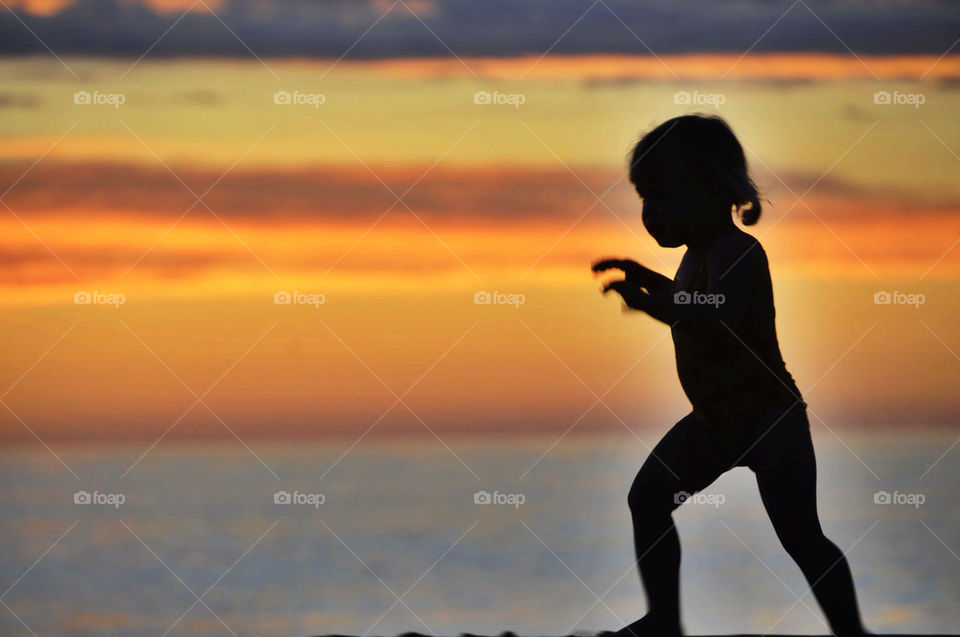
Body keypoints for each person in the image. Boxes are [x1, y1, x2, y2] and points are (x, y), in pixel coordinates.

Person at [592, 114, 869, 637]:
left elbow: (717, 307)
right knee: (648, 499)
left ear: (713, 190)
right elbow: (692, 296)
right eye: (644, 198)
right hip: (716, 421)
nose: (650, 213)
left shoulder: (738, 251)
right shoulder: (697, 255)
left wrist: (655, 305)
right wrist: (651, 278)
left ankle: (851, 632)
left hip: (770, 420)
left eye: (662, 195)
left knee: (802, 536)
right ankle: (664, 621)